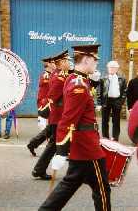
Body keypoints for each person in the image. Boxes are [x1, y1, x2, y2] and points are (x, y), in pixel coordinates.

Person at [39, 44, 111, 211]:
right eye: (94, 61)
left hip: (82, 143)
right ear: (86, 60)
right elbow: (68, 119)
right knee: (101, 188)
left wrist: (92, 83)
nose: (96, 64)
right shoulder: (78, 85)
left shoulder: (75, 79)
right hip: (88, 147)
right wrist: (61, 150)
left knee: (70, 184)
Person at [32, 50, 71, 180]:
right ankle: (39, 169)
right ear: (61, 63)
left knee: (54, 144)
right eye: (66, 61)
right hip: (58, 116)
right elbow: (51, 98)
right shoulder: (59, 78)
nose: (69, 63)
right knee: (53, 145)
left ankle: (39, 169)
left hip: (58, 117)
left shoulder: (60, 75)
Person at [27, 57, 55, 156]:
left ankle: (33, 143)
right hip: (46, 104)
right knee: (50, 128)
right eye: (53, 62)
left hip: (50, 104)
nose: (55, 64)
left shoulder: (52, 75)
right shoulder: (46, 76)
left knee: (51, 128)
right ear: (49, 64)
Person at [97, 60, 127, 141]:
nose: (111, 69)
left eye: (113, 67)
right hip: (106, 101)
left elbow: (124, 91)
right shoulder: (103, 78)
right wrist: (99, 103)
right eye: (110, 67)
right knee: (104, 120)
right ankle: (105, 137)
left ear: (117, 69)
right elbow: (99, 91)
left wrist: (121, 101)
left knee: (116, 120)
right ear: (107, 68)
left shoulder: (122, 79)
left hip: (117, 101)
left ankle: (115, 137)